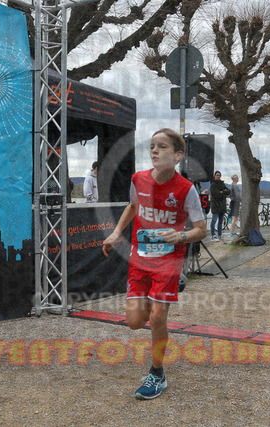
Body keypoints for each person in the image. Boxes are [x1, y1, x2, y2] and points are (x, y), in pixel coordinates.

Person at [102, 128, 206, 400]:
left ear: (178, 155)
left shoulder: (186, 189)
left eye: (162, 147)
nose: (155, 151)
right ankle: (159, 297)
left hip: (169, 260)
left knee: (158, 317)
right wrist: (116, 233)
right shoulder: (138, 179)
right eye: (151, 147)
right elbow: (133, 207)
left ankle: (157, 372)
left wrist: (180, 236)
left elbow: (201, 229)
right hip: (140, 258)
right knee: (135, 322)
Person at [209, 170, 230, 241]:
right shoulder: (213, 184)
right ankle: (213, 235)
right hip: (215, 205)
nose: (218, 176)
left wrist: (222, 192)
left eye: (219, 175)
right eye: (217, 175)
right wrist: (223, 193)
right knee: (214, 220)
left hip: (222, 205)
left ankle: (219, 235)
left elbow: (228, 191)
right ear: (214, 176)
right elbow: (216, 194)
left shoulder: (222, 183)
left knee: (220, 221)